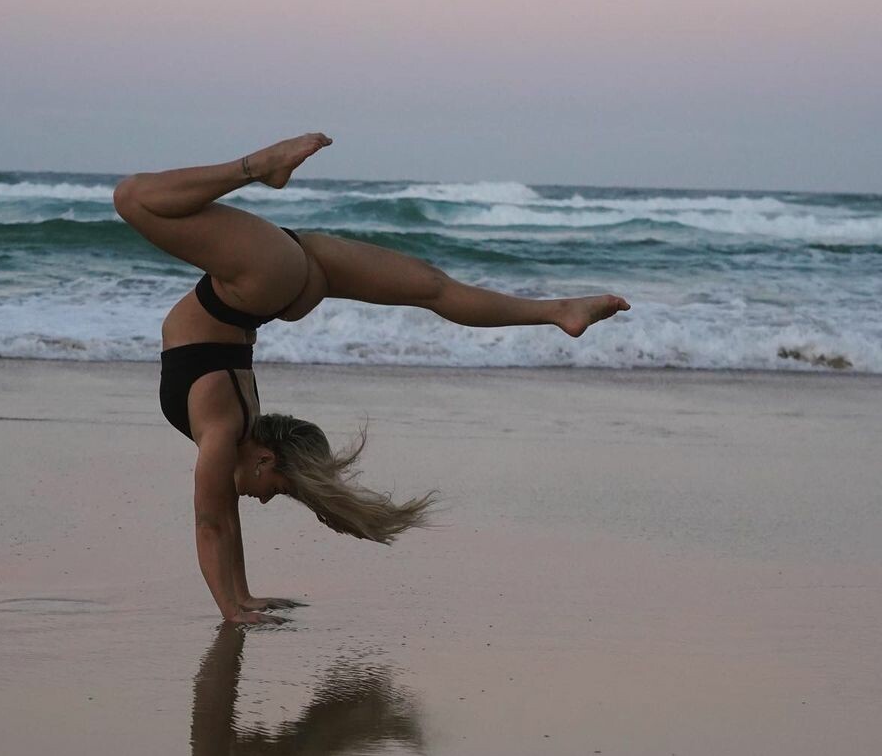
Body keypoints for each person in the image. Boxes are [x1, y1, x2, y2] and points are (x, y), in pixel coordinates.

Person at [113, 133, 630, 625]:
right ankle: (557, 311)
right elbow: (221, 520)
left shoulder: (226, 428)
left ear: (267, 457)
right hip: (271, 279)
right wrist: (238, 600)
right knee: (432, 288)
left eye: (277, 490)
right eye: (279, 491)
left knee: (132, 197)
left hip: (271, 280)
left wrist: (234, 607)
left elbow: (214, 523)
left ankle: (259, 167)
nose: (265, 498)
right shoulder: (227, 426)